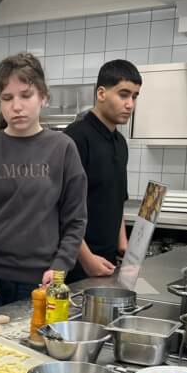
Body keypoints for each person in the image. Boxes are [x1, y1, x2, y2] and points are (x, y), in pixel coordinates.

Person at [0, 52, 87, 309]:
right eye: (7, 98)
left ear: (43, 97)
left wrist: (60, 266)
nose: (16, 106)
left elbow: (75, 218)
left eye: (26, 95)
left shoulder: (62, 148)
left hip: (41, 281)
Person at [65, 59, 141, 281]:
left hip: (107, 260)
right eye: (123, 95)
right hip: (76, 263)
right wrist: (87, 259)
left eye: (135, 96)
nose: (130, 104)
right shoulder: (75, 138)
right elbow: (60, 208)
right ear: (101, 93)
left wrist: (123, 244)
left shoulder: (120, 143)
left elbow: (117, 199)